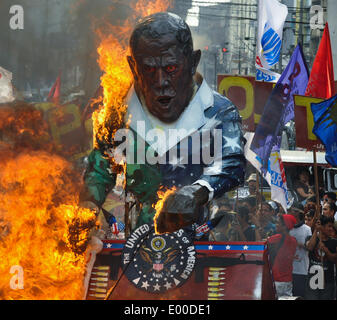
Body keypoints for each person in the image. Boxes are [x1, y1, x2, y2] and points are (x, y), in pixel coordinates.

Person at [80, 12, 246, 234]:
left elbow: (232, 162)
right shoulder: (118, 110)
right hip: (134, 246)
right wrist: (87, 208)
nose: (160, 82)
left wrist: (199, 191)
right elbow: (101, 167)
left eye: (171, 68)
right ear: (133, 66)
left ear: (193, 62)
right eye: (149, 69)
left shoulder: (219, 110)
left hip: (195, 246)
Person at [305, 215, 337, 300]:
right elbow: (309, 247)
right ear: (321, 227)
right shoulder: (311, 238)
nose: (331, 229)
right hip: (312, 282)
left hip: (327, 282)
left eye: (332, 226)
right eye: (329, 226)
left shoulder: (334, 242)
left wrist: (326, 250)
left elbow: (334, 259)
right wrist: (316, 230)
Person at [267, 214, 297, 298]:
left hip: (276, 280)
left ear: (285, 226)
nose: (276, 224)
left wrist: (258, 227)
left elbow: (261, 244)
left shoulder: (276, 238)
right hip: (288, 280)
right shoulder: (294, 241)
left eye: (278, 223)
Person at [288, 202, 312, 298]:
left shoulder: (307, 229)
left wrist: (298, 244)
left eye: (291, 210)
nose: (289, 212)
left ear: (297, 213)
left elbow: (310, 247)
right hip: (287, 270)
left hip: (301, 270)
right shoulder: (286, 228)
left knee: (299, 296)